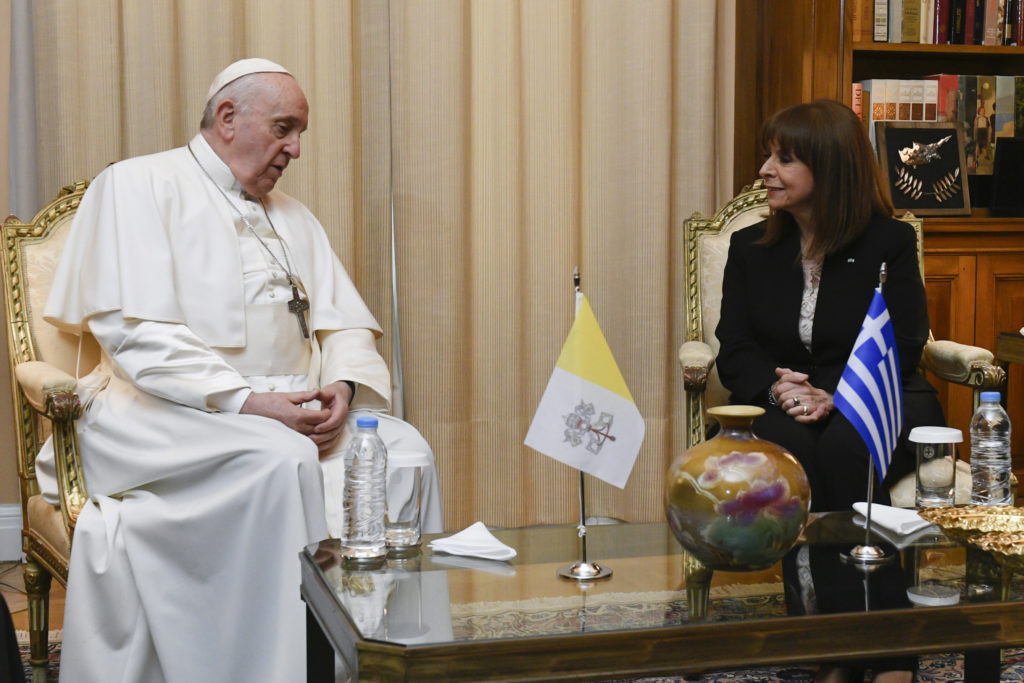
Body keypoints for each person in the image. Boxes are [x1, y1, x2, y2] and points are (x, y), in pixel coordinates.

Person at [35, 58, 441, 682]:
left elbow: (344, 326)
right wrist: (250, 403)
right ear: (228, 117)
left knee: (405, 451)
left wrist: (342, 386)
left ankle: (385, 663)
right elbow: (134, 334)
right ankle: (280, 667)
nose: (295, 149)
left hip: (289, 411)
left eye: (300, 132)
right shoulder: (137, 184)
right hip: (162, 409)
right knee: (279, 461)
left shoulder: (294, 216)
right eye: (284, 128)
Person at [715, 100, 942, 682]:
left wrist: (838, 395)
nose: (765, 169)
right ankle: (833, 644)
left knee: (846, 449)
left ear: (831, 168)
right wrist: (777, 386)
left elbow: (906, 338)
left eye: (785, 158)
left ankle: (883, 650)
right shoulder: (750, 249)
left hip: (879, 394)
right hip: (782, 402)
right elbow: (734, 344)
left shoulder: (888, 243)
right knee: (796, 456)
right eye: (769, 154)